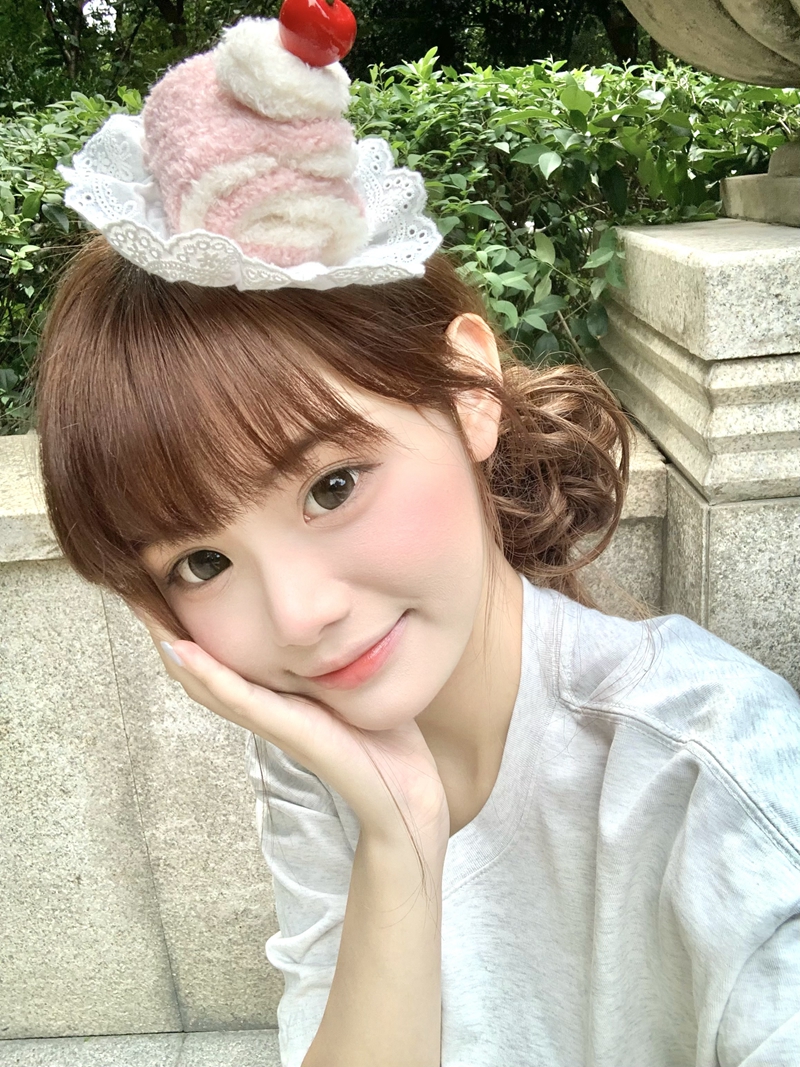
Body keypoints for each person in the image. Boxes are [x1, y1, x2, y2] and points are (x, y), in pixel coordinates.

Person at [34, 13, 800, 1067]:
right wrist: (398, 840)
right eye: (200, 562)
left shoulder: (717, 780)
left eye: (331, 485)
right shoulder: (320, 746)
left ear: (471, 388)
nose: (300, 616)